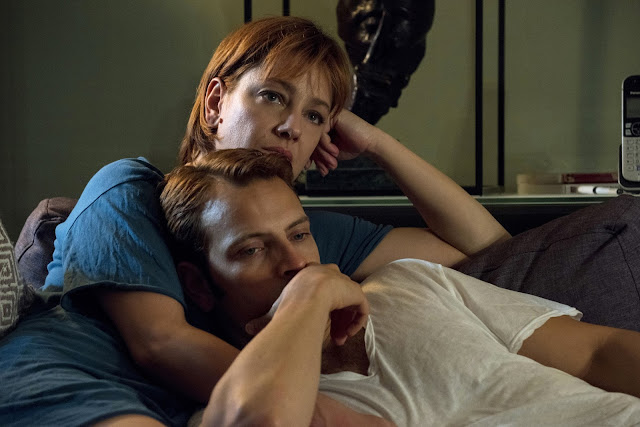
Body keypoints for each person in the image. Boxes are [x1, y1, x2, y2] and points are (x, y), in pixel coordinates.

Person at [0, 16, 509, 426]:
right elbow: (160, 343)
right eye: (273, 96)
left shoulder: (299, 237)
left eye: (315, 116)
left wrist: (375, 142)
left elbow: (485, 246)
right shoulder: (128, 189)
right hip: (63, 377)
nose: (292, 128)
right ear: (215, 103)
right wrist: (329, 416)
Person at [159, 149, 640, 426]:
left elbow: (594, 354)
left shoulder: (410, 280)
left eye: (300, 234)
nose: (296, 262)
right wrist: (310, 296)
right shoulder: (236, 408)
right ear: (198, 286)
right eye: (252, 249)